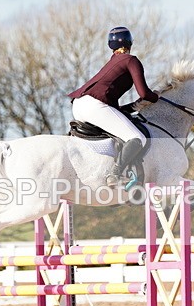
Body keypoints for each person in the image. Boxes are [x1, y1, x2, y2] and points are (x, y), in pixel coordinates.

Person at [68, 26, 159, 186]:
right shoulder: (131, 60)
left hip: (79, 105)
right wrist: (158, 96)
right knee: (137, 138)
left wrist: (130, 108)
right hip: (94, 106)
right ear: (130, 42)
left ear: (111, 45)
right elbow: (144, 94)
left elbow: (111, 100)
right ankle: (114, 174)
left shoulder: (113, 62)